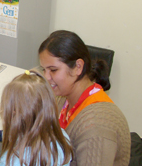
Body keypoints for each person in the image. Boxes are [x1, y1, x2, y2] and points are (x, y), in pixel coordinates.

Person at [38, 30, 131, 165]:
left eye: (53, 70)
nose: (46, 77)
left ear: (78, 67)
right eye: (44, 69)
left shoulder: (96, 127)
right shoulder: (64, 96)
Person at [0, 70, 73, 166]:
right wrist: (1, 135)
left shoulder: (11, 161)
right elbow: (28, 132)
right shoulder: (62, 138)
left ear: (13, 115)